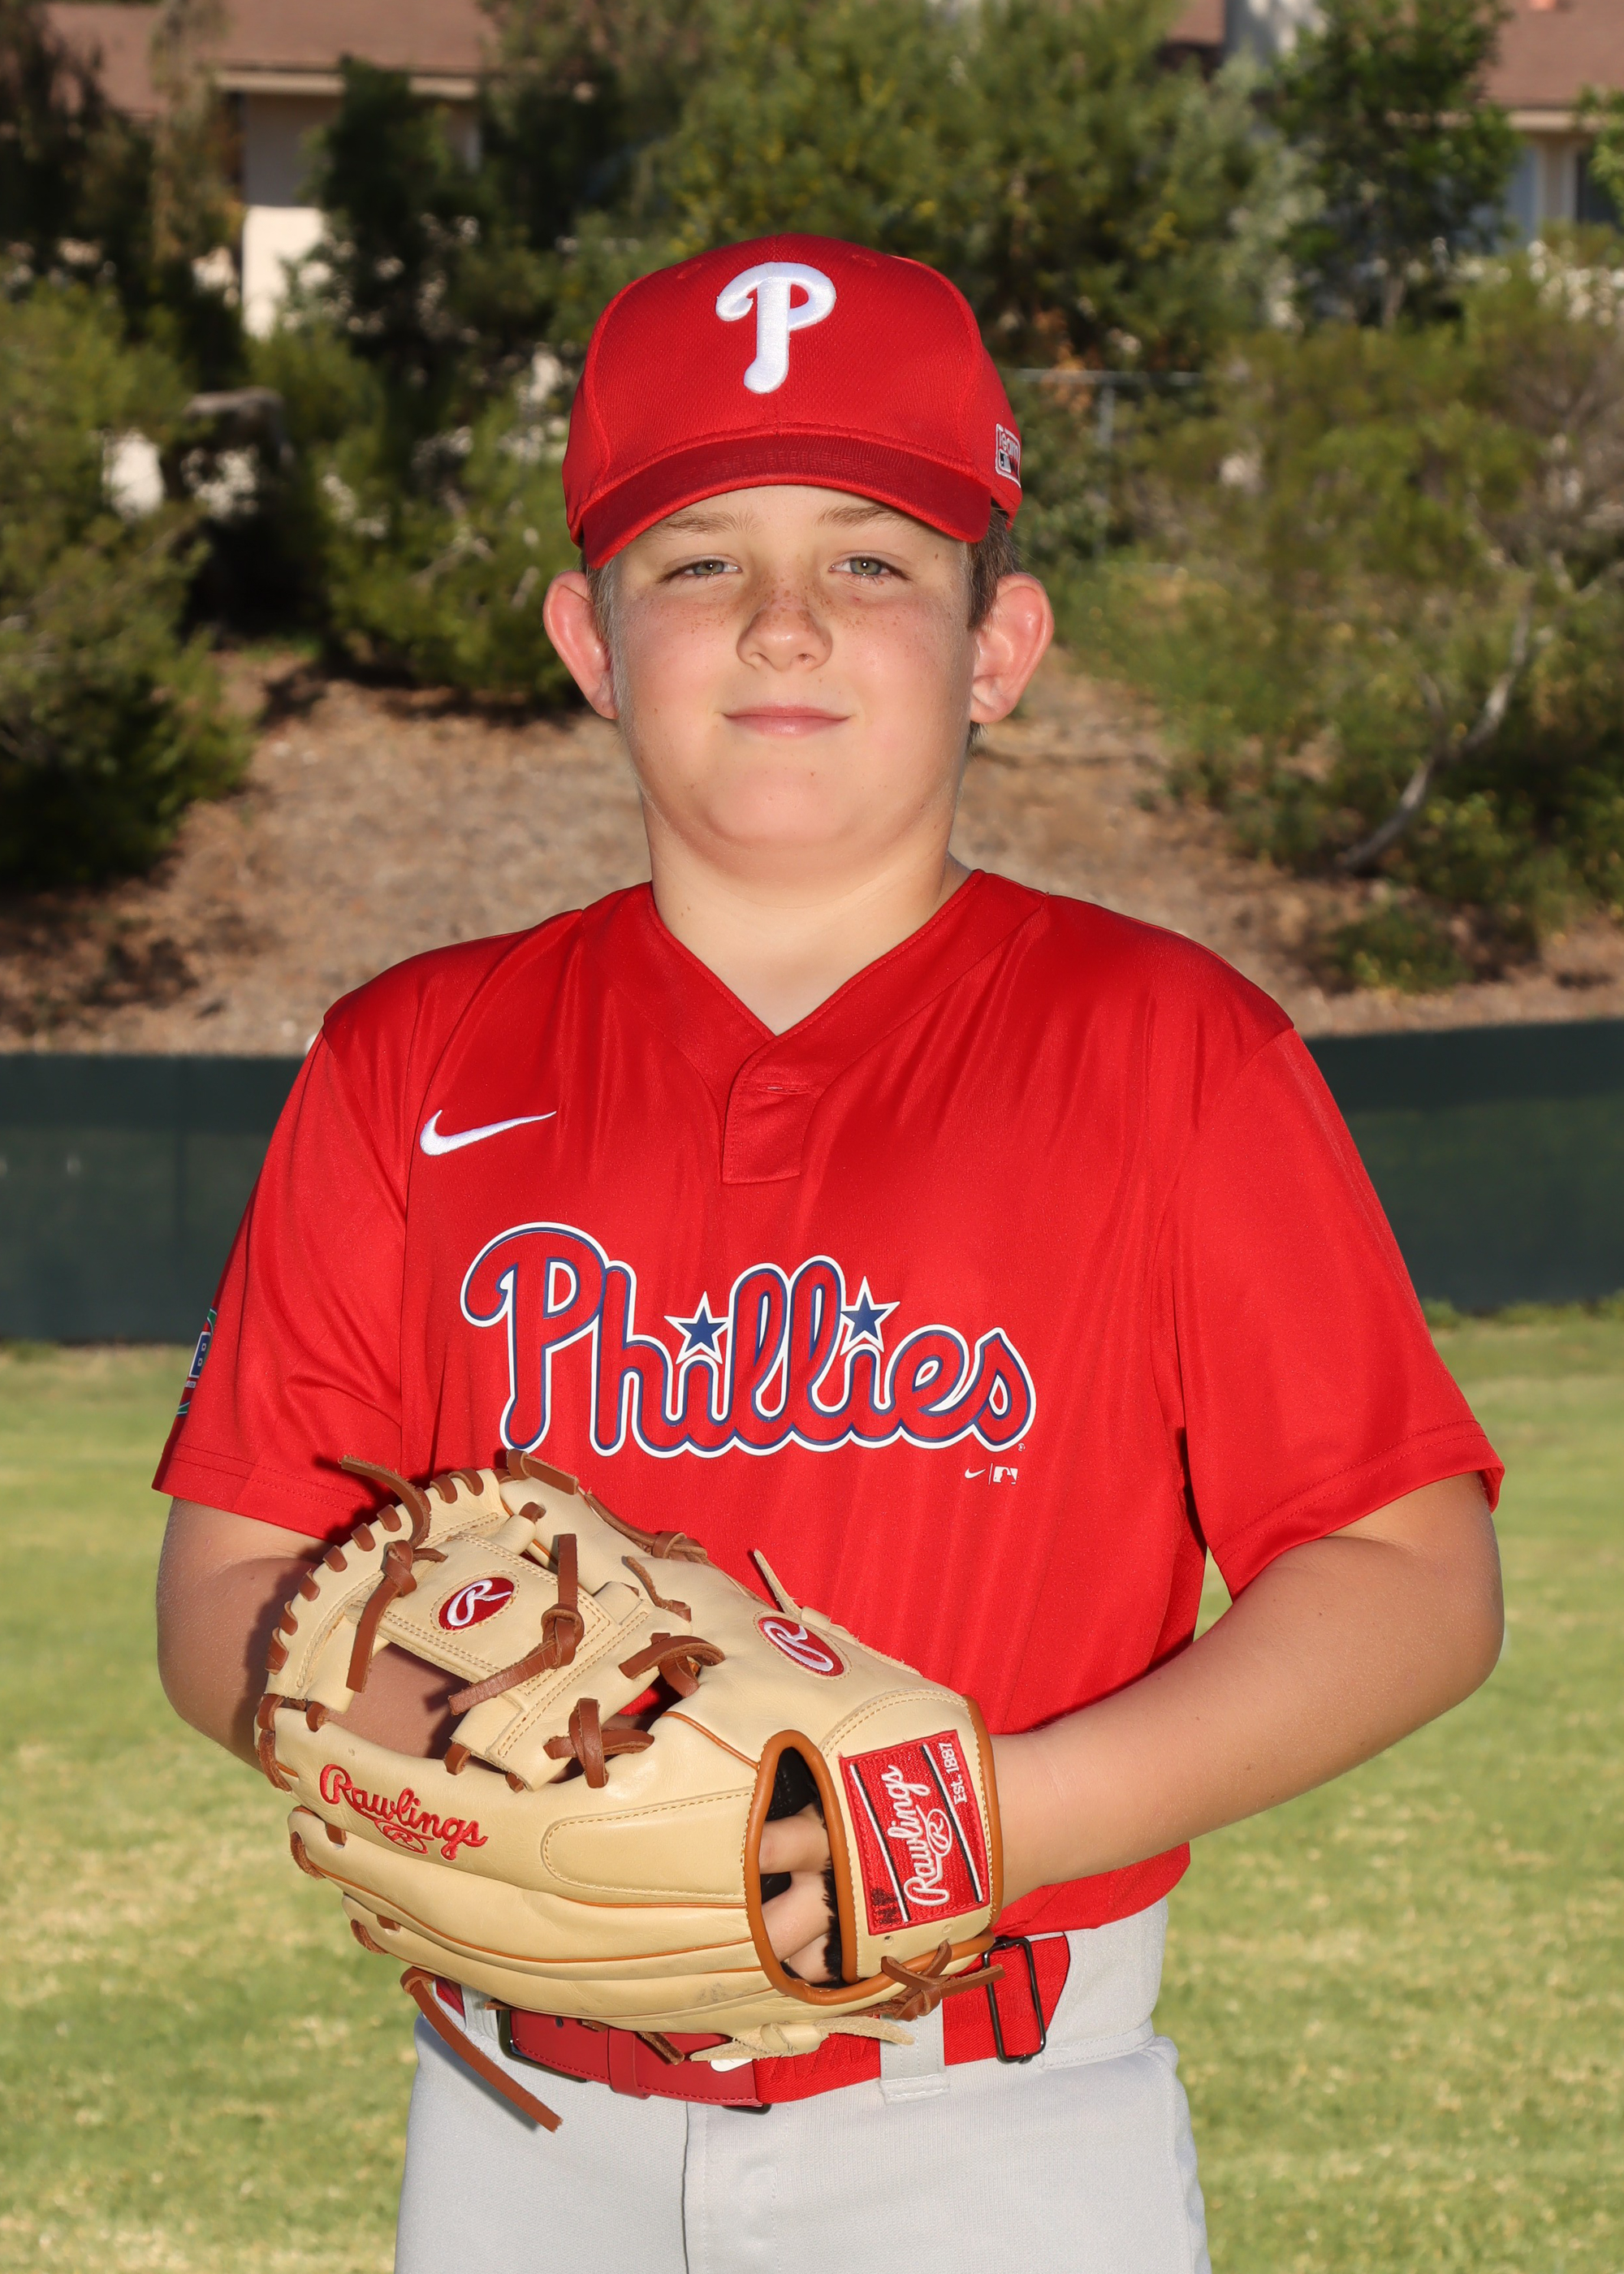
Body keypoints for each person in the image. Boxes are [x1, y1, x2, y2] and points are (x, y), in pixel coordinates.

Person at [153, 235, 1505, 2274]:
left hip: (991, 2117)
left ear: (998, 643)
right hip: (527, 2127)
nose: (782, 619)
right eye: (698, 558)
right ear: (590, 639)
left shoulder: (1167, 1048)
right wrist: (491, 1768)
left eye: (871, 560)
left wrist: (959, 1817)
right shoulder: (409, 1061)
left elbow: (1410, 1576)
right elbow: (227, 1587)